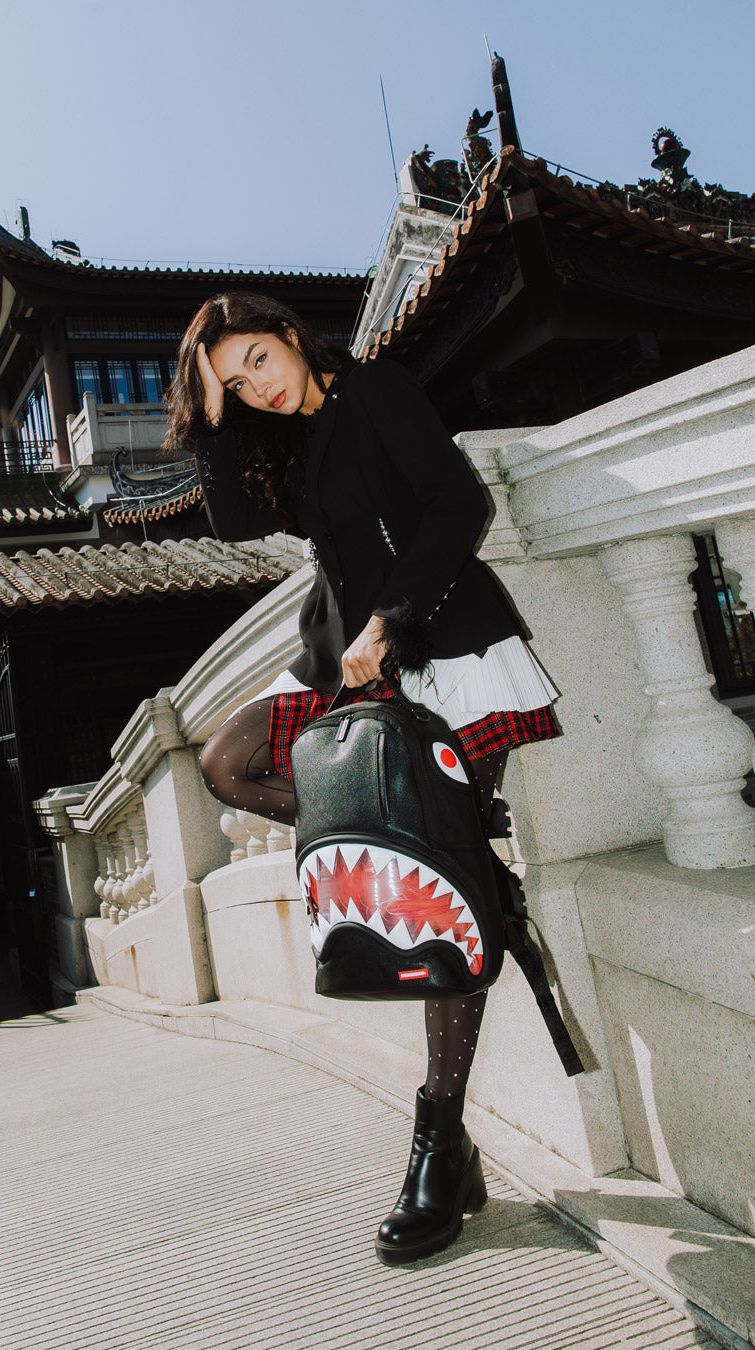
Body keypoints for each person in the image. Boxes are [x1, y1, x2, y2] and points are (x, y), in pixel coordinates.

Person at [165, 292, 560, 1265]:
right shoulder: (283, 440)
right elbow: (231, 521)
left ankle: (439, 1143)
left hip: (440, 646)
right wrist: (212, 419)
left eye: (259, 360)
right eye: (235, 382)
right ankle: (447, 855)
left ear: (289, 334)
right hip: (337, 661)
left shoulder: (375, 390)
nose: (257, 385)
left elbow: (459, 504)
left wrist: (389, 621)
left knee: (434, 914)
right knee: (227, 763)